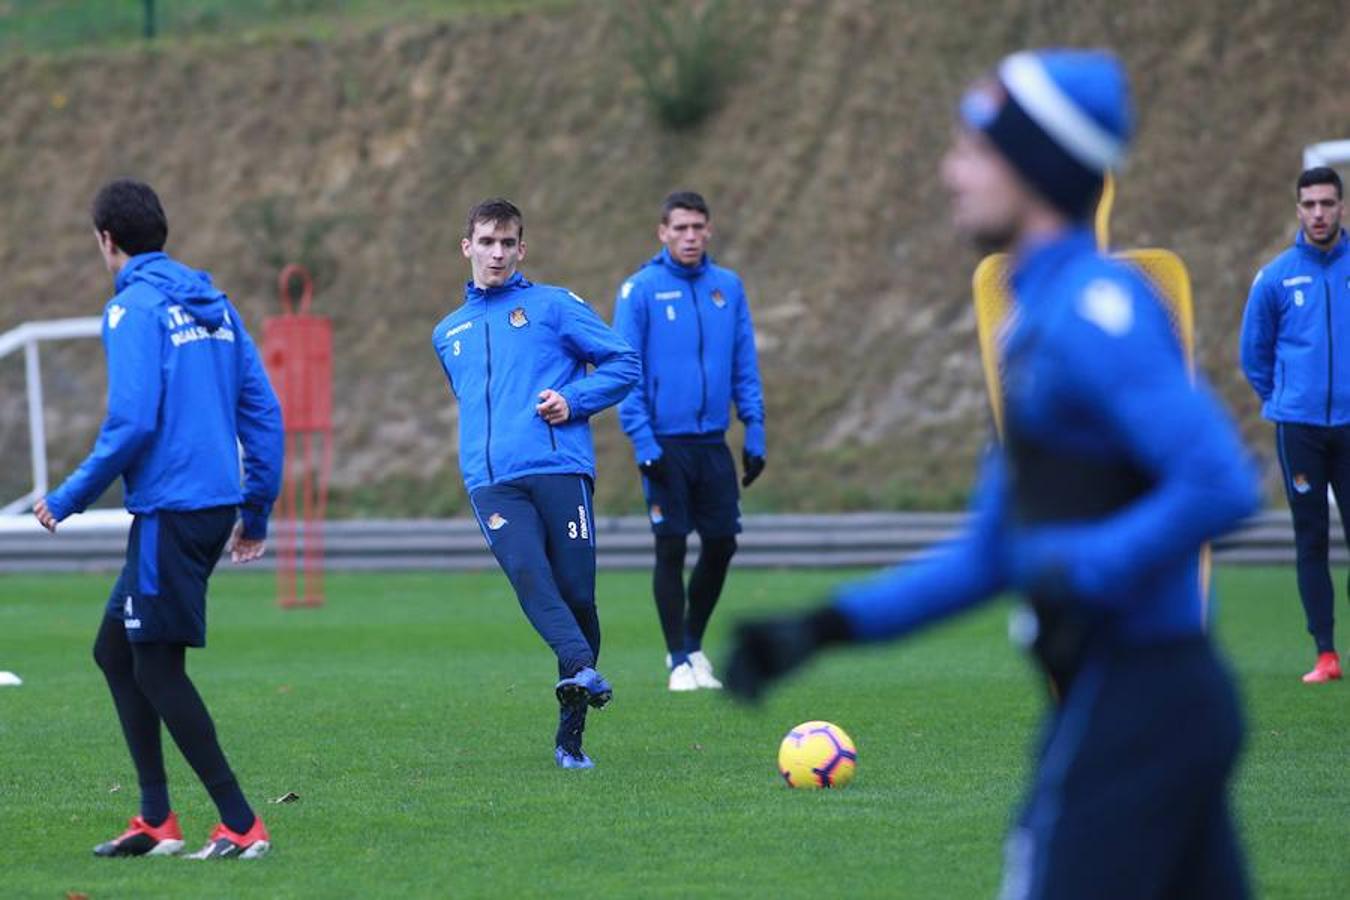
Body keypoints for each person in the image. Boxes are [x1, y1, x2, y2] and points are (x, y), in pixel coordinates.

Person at [725, 50, 1260, 899]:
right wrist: (823, 629)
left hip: (1140, 701)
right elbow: (990, 553)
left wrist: (1084, 570)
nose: (950, 173)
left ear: (1034, 167)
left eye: (972, 151)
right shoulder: (1030, 322)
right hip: (1128, 700)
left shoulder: (1095, 312)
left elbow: (1221, 482)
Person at [34, 179, 284, 859]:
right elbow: (263, 413)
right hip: (209, 508)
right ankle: (155, 819)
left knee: (157, 669)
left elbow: (132, 421)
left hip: (170, 513)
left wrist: (69, 496)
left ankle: (240, 823)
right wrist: (255, 509)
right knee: (115, 652)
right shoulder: (217, 306)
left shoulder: (132, 310)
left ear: (106, 240)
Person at [432, 198, 639, 769]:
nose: (496, 253)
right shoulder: (448, 333)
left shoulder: (554, 306)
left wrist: (573, 400)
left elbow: (624, 363)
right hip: (492, 483)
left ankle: (570, 739)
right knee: (527, 571)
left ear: (521, 249)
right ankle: (581, 666)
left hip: (559, 470)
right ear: (467, 247)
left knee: (578, 597)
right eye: (486, 242)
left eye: (507, 243)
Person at [612, 191, 766, 692]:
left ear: (709, 230)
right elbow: (625, 371)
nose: (690, 236)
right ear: (663, 232)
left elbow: (744, 363)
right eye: (680, 228)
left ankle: (694, 644)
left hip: (711, 442)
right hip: (664, 442)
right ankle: (677, 658)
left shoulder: (728, 287)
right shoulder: (640, 290)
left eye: (698, 227)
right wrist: (643, 442)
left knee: (722, 544)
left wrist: (754, 429)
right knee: (671, 545)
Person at [1240, 166, 1350, 684]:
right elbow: (1254, 354)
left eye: (1327, 203)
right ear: (1298, 210)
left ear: (1342, 206)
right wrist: (1284, 400)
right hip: (1299, 429)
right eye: (1310, 205)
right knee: (1311, 537)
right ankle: (1325, 653)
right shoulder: (1276, 277)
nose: (1319, 213)